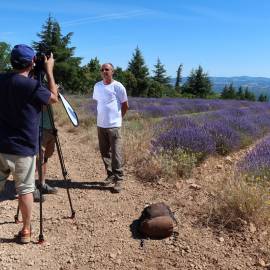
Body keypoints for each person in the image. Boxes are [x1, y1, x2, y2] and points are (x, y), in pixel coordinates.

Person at [0, 44, 58, 243]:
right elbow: (53, 99)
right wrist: (48, 71)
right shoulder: (33, 87)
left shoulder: (2, 79)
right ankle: (26, 230)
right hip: (23, 147)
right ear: (32, 62)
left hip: (1, 145)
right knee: (25, 189)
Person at [93, 63, 128, 193]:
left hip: (114, 126)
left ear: (112, 71)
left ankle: (119, 179)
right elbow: (98, 103)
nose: (104, 71)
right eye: (102, 70)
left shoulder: (118, 86)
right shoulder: (97, 86)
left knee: (116, 153)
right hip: (101, 125)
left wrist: (119, 119)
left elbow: (125, 105)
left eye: (107, 69)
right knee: (104, 153)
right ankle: (110, 175)